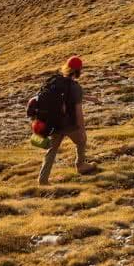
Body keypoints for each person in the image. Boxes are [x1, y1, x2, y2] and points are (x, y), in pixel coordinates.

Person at [39, 56, 96, 185]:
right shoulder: (75, 87)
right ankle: (80, 165)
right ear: (78, 70)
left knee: (52, 150)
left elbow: (67, 97)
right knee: (81, 141)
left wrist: (89, 98)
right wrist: (82, 130)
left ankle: (43, 180)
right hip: (68, 124)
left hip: (53, 122)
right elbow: (78, 112)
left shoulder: (56, 81)